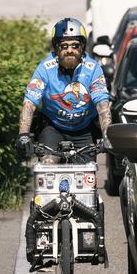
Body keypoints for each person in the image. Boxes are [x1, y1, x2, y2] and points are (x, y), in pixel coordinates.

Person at [15, 18, 111, 164]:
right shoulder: (45, 68)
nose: (70, 51)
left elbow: (102, 105)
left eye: (75, 45)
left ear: (82, 47)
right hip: (54, 128)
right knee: (48, 166)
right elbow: (29, 103)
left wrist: (107, 134)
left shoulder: (93, 68)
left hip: (84, 130)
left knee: (86, 175)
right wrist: (23, 135)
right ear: (56, 48)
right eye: (64, 46)